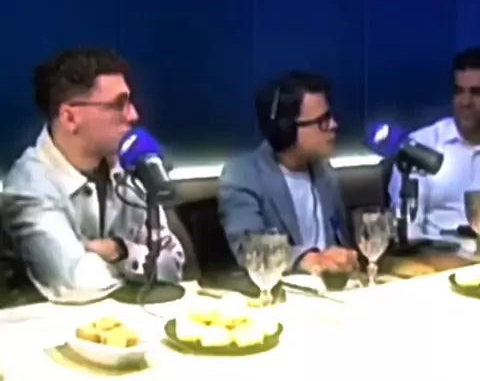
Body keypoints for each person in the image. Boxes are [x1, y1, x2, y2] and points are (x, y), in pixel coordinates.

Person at [1, 47, 185, 303]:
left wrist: (120, 250)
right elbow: (76, 284)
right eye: (119, 104)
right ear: (70, 117)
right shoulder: (29, 186)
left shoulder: (132, 164)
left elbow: (173, 264)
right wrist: (138, 264)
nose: (134, 115)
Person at [218, 71, 358, 275]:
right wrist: (307, 259)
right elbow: (250, 248)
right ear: (286, 129)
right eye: (322, 120)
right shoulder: (243, 175)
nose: (333, 126)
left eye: (331, 118)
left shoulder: (326, 173)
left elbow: (341, 241)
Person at [389, 47, 480, 239]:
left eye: (476, 92)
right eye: (458, 91)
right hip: (437, 253)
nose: (465, 101)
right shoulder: (420, 147)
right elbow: (409, 229)